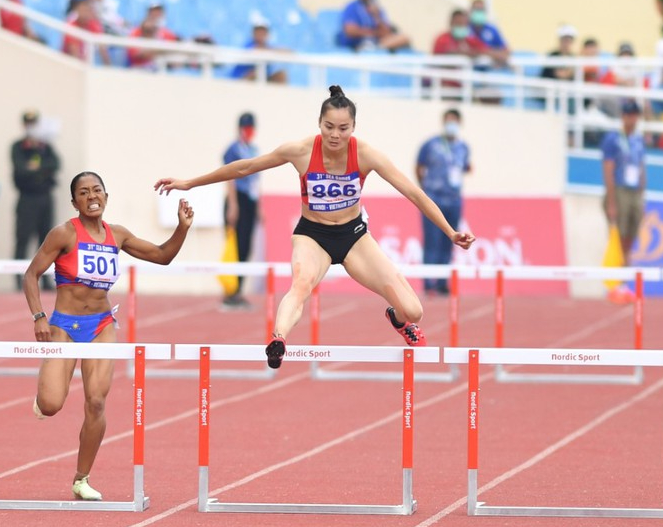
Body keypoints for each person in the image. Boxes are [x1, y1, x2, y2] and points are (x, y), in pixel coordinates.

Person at [156, 85, 474, 369]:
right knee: (301, 285)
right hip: (313, 234)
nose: (335, 135)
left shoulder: (366, 155)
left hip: (353, 236)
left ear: (354, 127)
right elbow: (246, 167)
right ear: (319, 124)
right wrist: (190, 183)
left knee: (414, 310)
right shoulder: (301, 151)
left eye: (343, 128)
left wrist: (450, 231)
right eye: (329, 127)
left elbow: (414, 193)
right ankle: (278, 339)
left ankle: (399, 321)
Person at [23, 173, 193, 501]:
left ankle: (81, 478)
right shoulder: (64, 234)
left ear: (106, 196)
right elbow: (31, 274)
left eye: (96, 190)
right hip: (64, 326)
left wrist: (182, 228)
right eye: (83, 193)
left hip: (101, 324)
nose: (91, 196)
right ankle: (43, 396)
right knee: (52, 404)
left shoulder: (118, 235)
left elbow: (162, 255)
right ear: (75, 202)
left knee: (97, 401)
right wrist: (38, 316)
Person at [415, 110, 471, 294]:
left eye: (455, 121)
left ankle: (441, 282)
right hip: (434, 198)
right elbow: (419, 166)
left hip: (454, 200)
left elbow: (466, 166)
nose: (451, 124)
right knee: (432, 241)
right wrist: (424, 190)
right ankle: (428, 283)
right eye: (449, 121)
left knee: (450, 240)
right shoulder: (431, 145)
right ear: (444, 122)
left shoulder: (463, 147)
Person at [11, 110, 61, 288]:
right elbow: (20, 170)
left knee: (46, 239)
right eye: (28, 124)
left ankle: (46, 279)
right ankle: (18, 279)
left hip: (44, 198)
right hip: (27, 198)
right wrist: (40, 171)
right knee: (23, 239)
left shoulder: (45, 146)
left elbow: (55, 164)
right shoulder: (18, 147)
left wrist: (35, 168)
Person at [222, 112, 261, 309]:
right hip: (238, 200)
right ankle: (230, 291)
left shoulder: (254, 149)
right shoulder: (233, 149)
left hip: (250, 201)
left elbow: (256, 181)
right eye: (246, 128)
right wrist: (233, 204)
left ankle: (239, 290)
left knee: (246, 248)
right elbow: (229, 176)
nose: (249, 132)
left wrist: (259, 207)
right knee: (236, 246)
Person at [599, 103, 648, 260]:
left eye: (635, 115)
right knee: (619, 233)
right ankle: (617, 274)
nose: (633, 119)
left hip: (634, 191)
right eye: (630, 115)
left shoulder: (638, 140)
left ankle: (625, 269)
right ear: (623, 116)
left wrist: (641, 194)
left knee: (632, 232)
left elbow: (640, 167)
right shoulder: (613, 139)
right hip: (619, 189)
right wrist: (611, 201)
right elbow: (608, 169)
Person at [336, 0, 412, 53]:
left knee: (404, 38)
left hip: (376, 44)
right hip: (356, 45)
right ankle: (371, 49)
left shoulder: (377, 9)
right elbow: (350, 31)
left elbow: (386, 33)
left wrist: (377, 16)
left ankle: (375, 49)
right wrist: (373, 33)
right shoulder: (352, 7)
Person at [229, 19, 289, 83]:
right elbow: (257, 50)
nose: (260, 34)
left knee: (281, 75)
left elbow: (288, 51)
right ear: (253, 33)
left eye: (263, 32)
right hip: (240, 80)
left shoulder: (268, 47)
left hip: (261, 79)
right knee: (255, 74)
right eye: (258, 31)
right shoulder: (249, 45)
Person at [126, 3, 180, 68]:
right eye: (153, 11)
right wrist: (160, 50)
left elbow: (175, 57)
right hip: (140, 69)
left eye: (158, 11)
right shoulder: (136, 32)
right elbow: (135, 54)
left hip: (162, 70)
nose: (156, 14)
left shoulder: (167, 33)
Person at [467, 0, 511, 69]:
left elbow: (506, 50)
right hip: (471, 69)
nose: (479, 13)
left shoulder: (492, 29)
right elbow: (470, 51)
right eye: (477, 10)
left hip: (491, 69)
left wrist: (494, 54)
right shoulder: (465, 28)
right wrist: (489, 53)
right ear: (470, 11)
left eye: (481, 10)